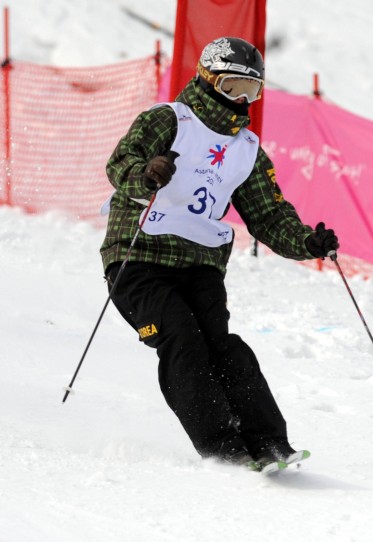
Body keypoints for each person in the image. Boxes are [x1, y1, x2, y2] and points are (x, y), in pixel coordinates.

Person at [100, 37, 339, 469]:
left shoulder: (245, 149)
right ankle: (221, 447)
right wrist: (146, 174)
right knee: (182, 338)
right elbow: (121, 164)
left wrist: (307, 242)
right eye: (232, 88)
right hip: (140, 257)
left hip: (201, 264)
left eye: (251, 92)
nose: (241, 100)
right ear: (209, 79)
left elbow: (267, 215)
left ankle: (267, 443)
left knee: (223, 346)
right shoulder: (169, 121)